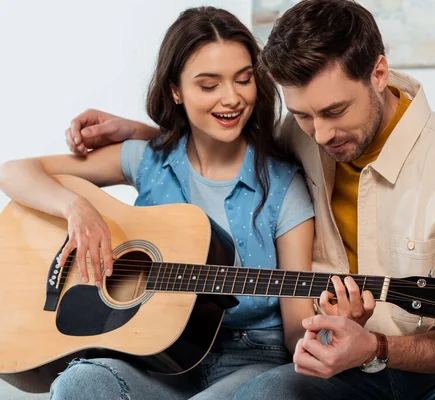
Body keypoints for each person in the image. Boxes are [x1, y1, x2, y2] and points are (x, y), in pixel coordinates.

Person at [63, 1, 435, 399]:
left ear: (378, 73)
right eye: (304, 115)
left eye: (335, 111)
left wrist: (374, 346)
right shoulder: (302, 134)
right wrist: (153, 138)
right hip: (344, 370)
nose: (323, 134)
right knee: (263, 393)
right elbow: (231, 156)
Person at [0, 7, 319, 400]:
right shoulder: (147, 160)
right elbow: (13, 172)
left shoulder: (284, 186)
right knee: (77, 383)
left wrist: (328, 333)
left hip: (251, 360)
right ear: (175, 90)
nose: (231, 98)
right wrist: (76, 209)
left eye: (244, 80)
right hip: (155, 360)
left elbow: (296, 327)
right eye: (208, 85)